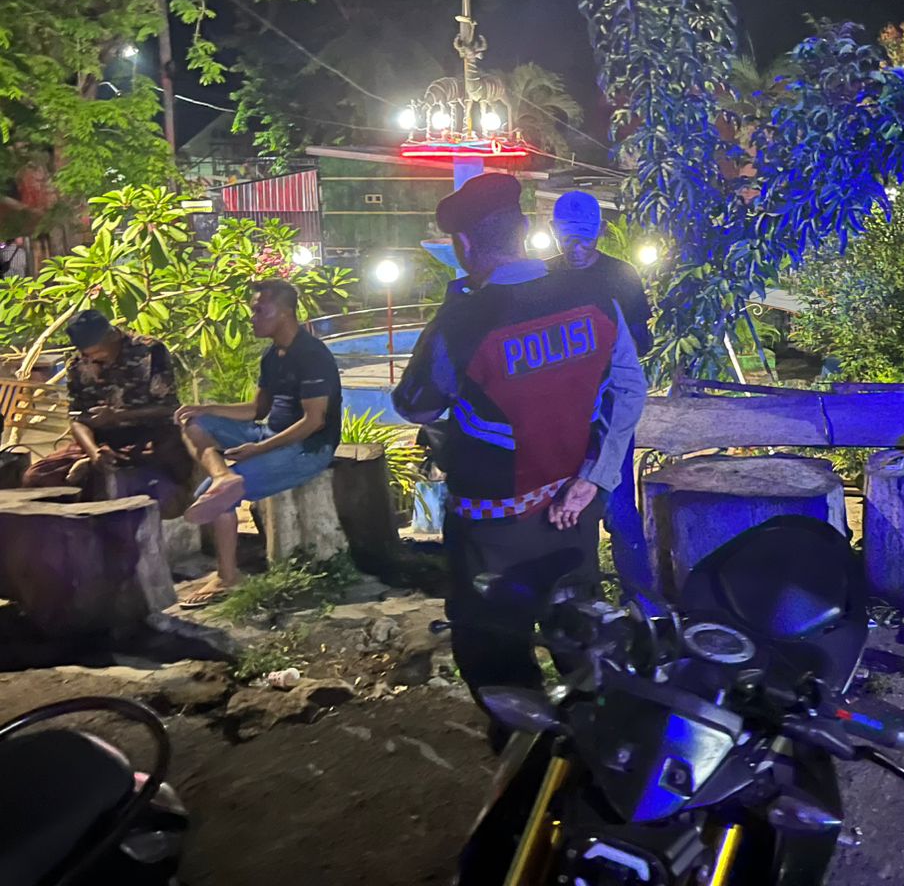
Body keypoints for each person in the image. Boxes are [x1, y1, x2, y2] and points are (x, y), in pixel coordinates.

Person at [393, 173, 646, 701]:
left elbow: (416, 404)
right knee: (581, 638)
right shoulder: (595, 296)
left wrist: (452, 312)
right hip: (573, 512)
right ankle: (592, 736)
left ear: (464, 244)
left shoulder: (464, 321)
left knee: (494, 654)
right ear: (525, 229)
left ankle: (524, 744)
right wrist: (594, 479)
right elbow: (629, 388)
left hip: (493, 531)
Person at [176, 279, 344, 605]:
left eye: (259, 310)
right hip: (269, 434)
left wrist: (258, 450)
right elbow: (257, 410)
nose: (252, 318)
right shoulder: (272, 356)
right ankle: (224, 476)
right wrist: (206, 408)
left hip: (309, 448)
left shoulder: (312, 355)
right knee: (193, 422)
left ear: (284, 313)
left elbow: (314, 421)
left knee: (211, 497)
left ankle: (228, 577)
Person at [544, 189, 655, 596]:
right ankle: (581, 602)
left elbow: (641, 341)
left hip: (608, 411)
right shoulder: (541, 278)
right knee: (565, 510)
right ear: (552, 231)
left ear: (600, 233)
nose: (576, 248)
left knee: (619, 509)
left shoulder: (620, 275)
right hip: (558, 416)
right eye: (568, 237)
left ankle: (643, 601)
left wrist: (608, 352)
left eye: (585, 238)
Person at [20, 311, 191, 498]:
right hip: (101, 441)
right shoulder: (78, 364)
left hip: (149, 434)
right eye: (88, 354)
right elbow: (77, 419)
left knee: (168, 459)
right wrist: (94, 452)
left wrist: (118, 415)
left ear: (113, 336)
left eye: (99, 352)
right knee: (36, 476)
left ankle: (109, 468)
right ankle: (95, 464)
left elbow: (169, 408)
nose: (94, 359)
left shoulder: (150, 351)